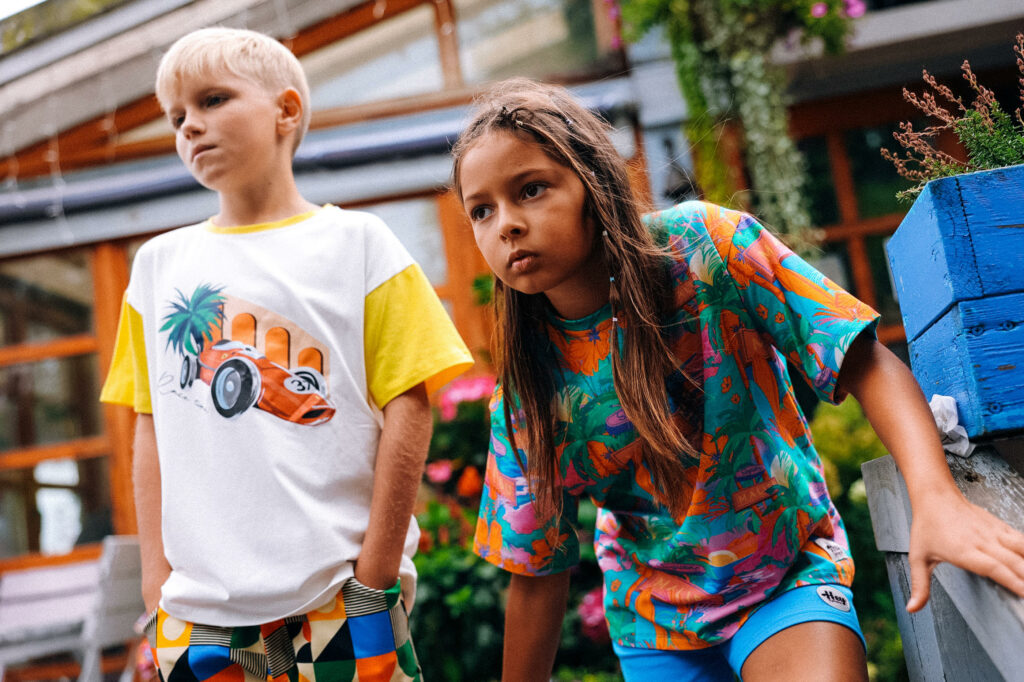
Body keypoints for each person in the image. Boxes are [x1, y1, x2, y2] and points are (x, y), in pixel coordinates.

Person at [452, 78, 1024, 681]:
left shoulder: (708, 247)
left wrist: (936, 499)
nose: (506, 225)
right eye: (481, 210)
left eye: (532, 189)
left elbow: (863, 361)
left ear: (592, 181)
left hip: (787, 576)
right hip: (654, 622)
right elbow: (538, 571)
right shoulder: (526, 391)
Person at [100, 27, 473, 682]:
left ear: (287, 110)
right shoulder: (156, 267)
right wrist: (156, 587)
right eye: (176, 117)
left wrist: (374, 577)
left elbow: (409, 407)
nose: (190, 126)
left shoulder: (362, 243)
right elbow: (148, 425)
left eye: (212, 100)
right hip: (197, 615)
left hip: (340, 597)